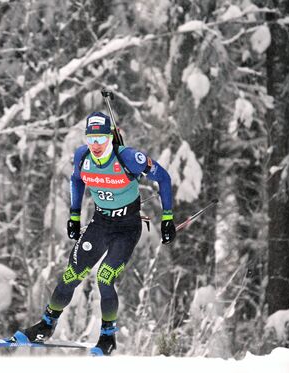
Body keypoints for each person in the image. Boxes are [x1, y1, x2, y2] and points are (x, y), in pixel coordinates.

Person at [12, 111, 175, 355]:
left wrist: (168, 218)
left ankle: (108, 337)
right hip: (100, 224)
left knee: (105, 278)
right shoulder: (82, 157)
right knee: (71, 276)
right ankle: (45, 326)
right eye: (91, 140)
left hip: (127, 229)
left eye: (100, 139)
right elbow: (76, 180)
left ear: (110, 138)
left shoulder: (130, 158)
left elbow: (163, 177)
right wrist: (75, 215)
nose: (96, 146)